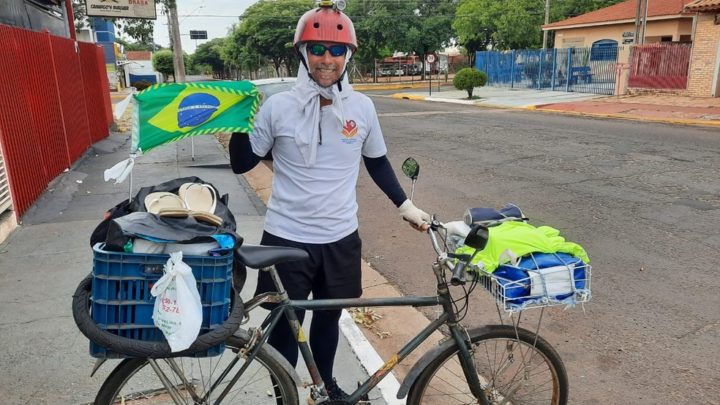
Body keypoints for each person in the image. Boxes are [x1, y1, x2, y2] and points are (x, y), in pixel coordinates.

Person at [229, 1, 430, 401]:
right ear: (302, 54)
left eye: (337, 50)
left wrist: (405, 207)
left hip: (340, 235)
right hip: (285, 236)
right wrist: (236, 120)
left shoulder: (362, 108)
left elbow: (377, 163)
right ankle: (283, 392)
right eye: (317, 49)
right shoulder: (278, 107)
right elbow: (243, 163)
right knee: (286, 325)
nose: (327, 59)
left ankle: (326, 386)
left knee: (329, 316)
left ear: (348, 56)